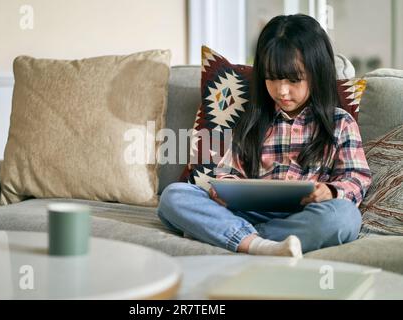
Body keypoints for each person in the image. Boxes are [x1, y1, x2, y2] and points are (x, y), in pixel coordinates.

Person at [157, 14, 372, 258]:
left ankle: (235, 237)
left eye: (293, 79)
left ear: (317, 72)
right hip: (246, 213)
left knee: (344, 218)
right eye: (272, 78)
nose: (281, 90)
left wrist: (331, 192)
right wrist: (226, 191)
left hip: (306, 217)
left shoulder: (340, 122)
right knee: (175, 195)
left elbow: (357, 178)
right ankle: (259, 244)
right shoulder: (253, 120)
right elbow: (228, 173)